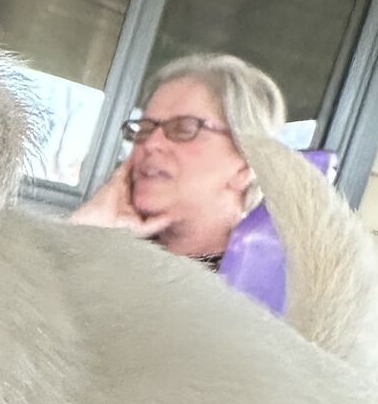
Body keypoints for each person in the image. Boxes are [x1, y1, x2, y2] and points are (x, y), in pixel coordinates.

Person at [70, 52, 287, 266]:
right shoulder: (110, 255)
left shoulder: (265, 288)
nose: (151, 144)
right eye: (145, 129)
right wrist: (84, 232)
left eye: (185, 128)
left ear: (245, 166)